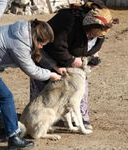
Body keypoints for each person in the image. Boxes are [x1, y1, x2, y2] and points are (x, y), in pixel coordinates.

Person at [0, 19, 62, 149]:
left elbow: (32, 58)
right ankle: (13, 137)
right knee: (6, 96)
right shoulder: (20, 44)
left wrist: (53, 68)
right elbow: (31, 70)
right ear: (36, 37)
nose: (42, 47)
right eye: (42, 43)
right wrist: (50, 74)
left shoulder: (22, 30)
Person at [30, 2, 118, 130]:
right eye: (93, 33)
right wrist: (69, 60)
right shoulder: (68, 20)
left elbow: (95, 45)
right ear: (88, 25)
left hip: (73, 58)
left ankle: (80, 118)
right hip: (46, 53)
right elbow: (56, 46)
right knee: (46, 90)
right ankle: (36, 119)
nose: (94, 36)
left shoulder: (101, 28)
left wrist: (89, 58)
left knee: (79, 86)